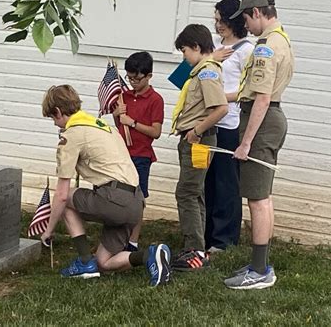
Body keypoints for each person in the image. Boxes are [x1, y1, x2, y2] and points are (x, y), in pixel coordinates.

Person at [40, 84, 171, 287]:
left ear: (58, 111)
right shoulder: (104, 126)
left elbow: (62, 195)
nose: (56, 125)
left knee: (65, 199)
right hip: (136, 202)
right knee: (105, 262)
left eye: (53, 118)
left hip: (115, 199)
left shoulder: (72, 134)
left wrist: (48, 231)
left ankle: (84, 261)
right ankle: (150, 256)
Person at [224, 0, 294, 290]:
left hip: (262, 121)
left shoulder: (266, 46)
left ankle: (260, 270)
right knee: (263, 196)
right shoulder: (282, 39)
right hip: (268, 119)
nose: (246, 27)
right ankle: (259, 263)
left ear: (256, 13)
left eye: (246, 20)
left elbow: (262, 98)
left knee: (257, 198)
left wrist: (245, 143)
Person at [170, 24, 228, 271]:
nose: (183, 56)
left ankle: (193, 250)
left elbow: (221, 108)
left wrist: (196, 131)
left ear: (196, 47)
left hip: (198, 140)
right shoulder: (199, 71)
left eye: (184, 50)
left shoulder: (206, 73)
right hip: (194, 139)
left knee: (186, 192)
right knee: (195, 192)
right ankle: (198, 247)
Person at [204, 0, 254, 253]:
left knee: (226, 182)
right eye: (215, 20)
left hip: (228, 123)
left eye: (221, 20)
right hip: (205, 123)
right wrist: (210, 58)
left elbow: (251, 89)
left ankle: (224, 239)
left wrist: (220, 97)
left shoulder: (247, 50)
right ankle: (205, 234)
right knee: (206, 181)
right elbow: (184, 77)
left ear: (233, 20)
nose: (217, 25)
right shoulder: (212, 47)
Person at [112, 51, 165, 252]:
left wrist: (132, 123)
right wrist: (118, 116)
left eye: (137, 78)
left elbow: (156, 132)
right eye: (129, 77)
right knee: (117, 195)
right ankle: (117, 237)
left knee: (138, 198)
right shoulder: (123, 96)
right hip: (121, 153)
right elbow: (120, 125)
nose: (133, 82)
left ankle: (133, 241)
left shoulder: (155, 100)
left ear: (149, 75)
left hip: (141, 155)